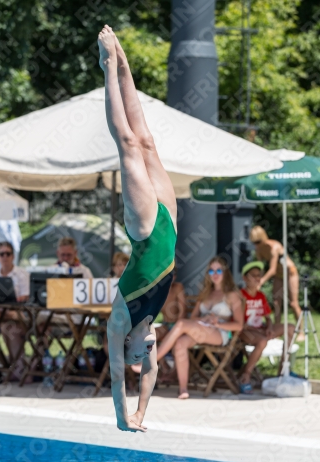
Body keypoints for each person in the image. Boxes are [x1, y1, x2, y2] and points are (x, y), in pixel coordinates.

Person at [98, 26, 177, 432]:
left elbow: (117, 376)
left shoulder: (120, 323)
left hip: (146, 232)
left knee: (127, 144)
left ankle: (109, 67)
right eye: (146, 353)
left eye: (138, 353)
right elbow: (150, 375)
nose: (147, 353)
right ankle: (125, 62)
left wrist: (123, 417)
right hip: (172, 226)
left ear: (127, 344)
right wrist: (143, 414)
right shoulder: (149, 328)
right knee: (146, 142)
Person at [156, 257, 244, 399]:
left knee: (181, 324)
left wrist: (218, 323)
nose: (215, 274)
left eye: (219, 270)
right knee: (180, 343)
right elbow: (193, 318)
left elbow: (239, 325)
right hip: (201, 330)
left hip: (220, 333)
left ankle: (152, 361)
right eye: (211, 270)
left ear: (225, 273)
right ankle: (183, 389)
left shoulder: (232, 295)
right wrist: (204, 319)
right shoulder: (205, 293)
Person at [239, 261, 295, 394]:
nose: (258, 278)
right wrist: (260, 331)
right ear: (245, 278)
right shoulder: (240, 296)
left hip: (260, 329)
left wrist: (269, 328)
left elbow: (268, 317)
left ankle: (283, 370)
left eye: (259, 275)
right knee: (262, 340)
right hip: (245, 331)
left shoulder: (261, 295)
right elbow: (240, 323)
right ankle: (245, 376)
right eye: (254, 275)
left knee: (291, 328)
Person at [249, 226, 302, 326]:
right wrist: (256, 280)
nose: (256, 245)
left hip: (290, 273)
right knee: (276, 303)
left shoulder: (274, 247)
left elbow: (272, 270)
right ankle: (277, 329)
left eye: (258, 242)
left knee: (293, 304)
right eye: (254, 243)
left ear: (263, 237)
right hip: (279, 276)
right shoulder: (259, 250)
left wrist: (261, 282)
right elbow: (261, 268)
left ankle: (301, 331)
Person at [0, 241, 29, 366]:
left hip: (17, 312)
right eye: (2, 254)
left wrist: (13, 301)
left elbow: (26, 296)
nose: (5, 257)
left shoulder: (22, 274)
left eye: (8, 253)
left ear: (13, 256)